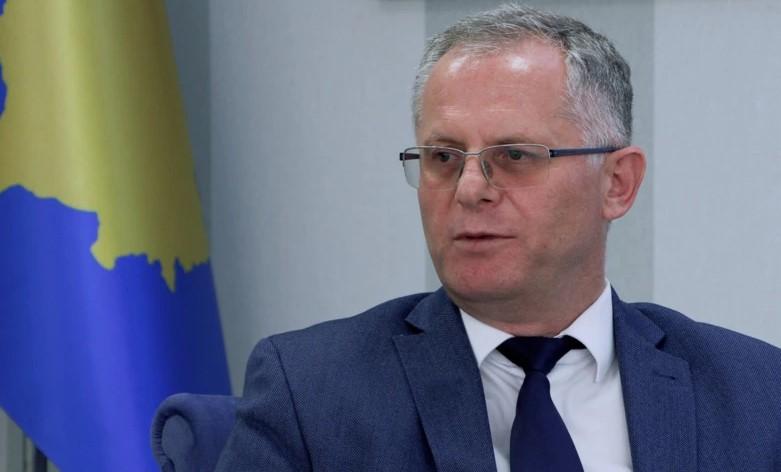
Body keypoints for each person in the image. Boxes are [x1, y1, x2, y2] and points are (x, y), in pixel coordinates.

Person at [216, 4, 781, 471]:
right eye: (443, 157)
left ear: (617, 183)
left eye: (514, 155)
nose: (469, 190)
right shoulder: (312, 392)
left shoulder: (757, 396)